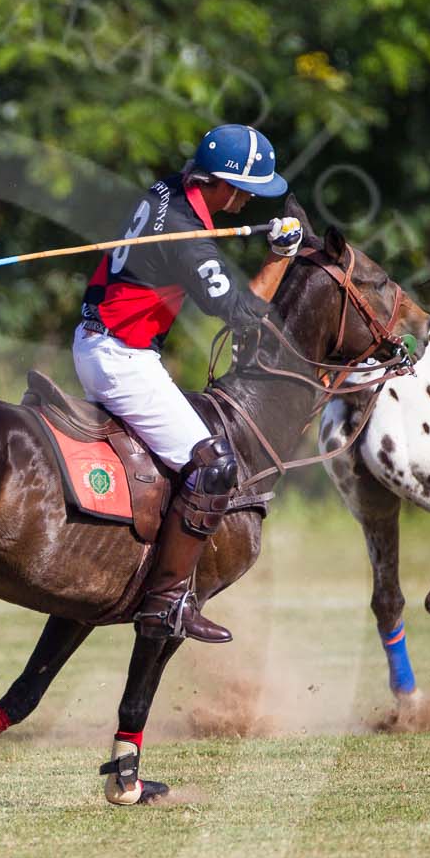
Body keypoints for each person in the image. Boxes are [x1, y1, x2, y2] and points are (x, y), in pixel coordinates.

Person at [74, 124, 305, 643]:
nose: (247, 199)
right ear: (221, 183)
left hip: (98, 339)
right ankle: (170, 600)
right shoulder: (188, 239)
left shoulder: (166, 190)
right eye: (245, 189)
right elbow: (243, 313)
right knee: (215, 466)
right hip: (121, 356)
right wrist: (279, 257)